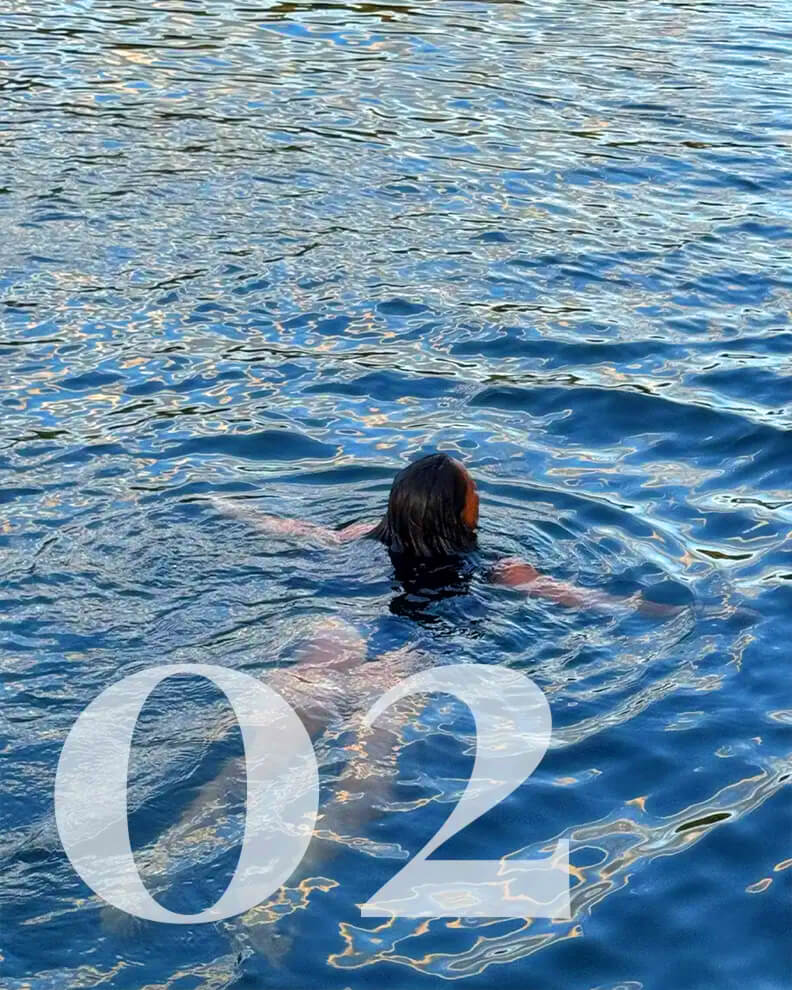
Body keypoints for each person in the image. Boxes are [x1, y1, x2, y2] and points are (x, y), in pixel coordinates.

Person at [217, 452, 678, 615]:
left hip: (349, 618)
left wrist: (225, 507)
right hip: (418, 645)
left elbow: (296, 530)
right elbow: (585, 599)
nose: (479, 494)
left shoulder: (359, 534)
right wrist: (660, 609)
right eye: (473, 489)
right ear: (459, 510)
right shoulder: (502, 568)